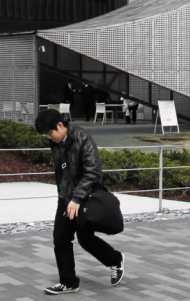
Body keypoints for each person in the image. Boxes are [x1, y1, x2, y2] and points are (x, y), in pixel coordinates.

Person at [35, 107, 124, 294]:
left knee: (85, 239)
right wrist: (65, 195)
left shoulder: (82, 138)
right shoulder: (55, 142)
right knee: (61, 239)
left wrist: (76, 198)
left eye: (50, 133)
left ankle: (115, 260)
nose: (49, 137)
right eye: (46, 135)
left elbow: (93, 171)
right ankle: (68, 282)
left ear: (60, 125)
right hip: (65, 198)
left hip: (84, 198)